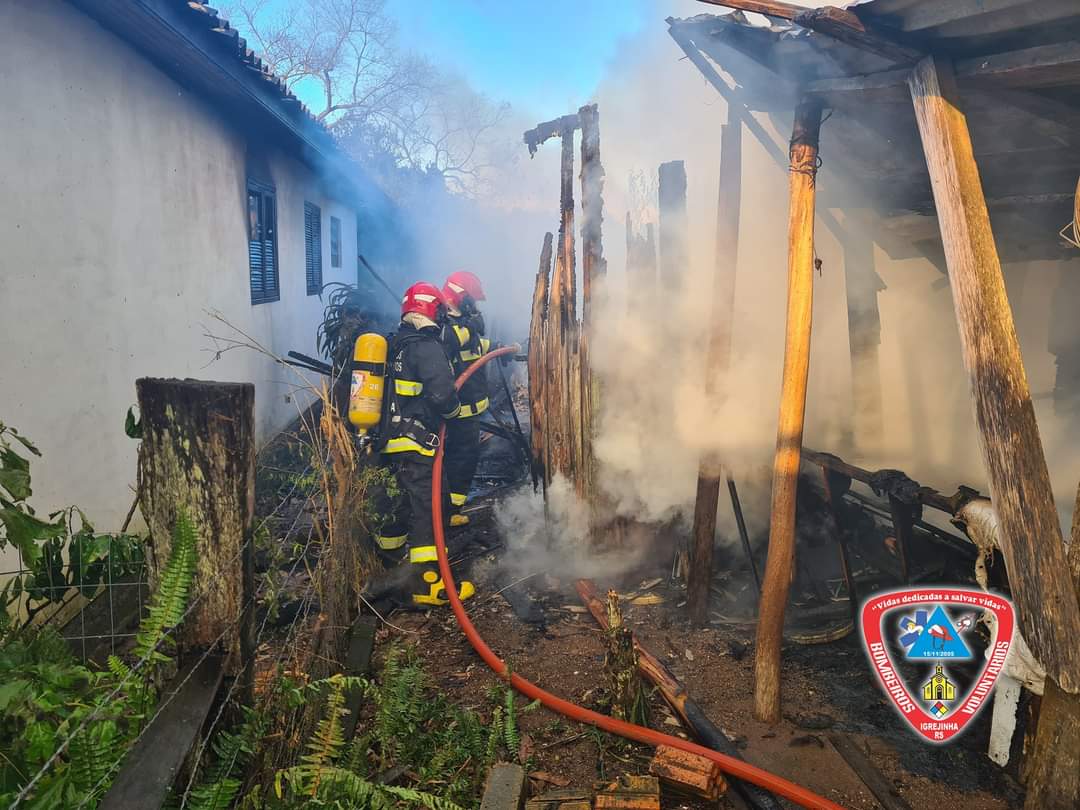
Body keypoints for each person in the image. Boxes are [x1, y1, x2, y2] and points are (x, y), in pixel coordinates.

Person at [370, 281, 475, 607]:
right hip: (416, 446)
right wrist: (454, 414)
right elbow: (444, 397)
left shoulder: (392, 343)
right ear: (435, 311)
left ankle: (390, 568)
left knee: (396, 505)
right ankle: (426, 584)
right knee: (429, 508)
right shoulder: (426, 346)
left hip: (386, 444)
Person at [439, 271, 494, 527]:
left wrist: (496, 348)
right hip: (456, 408)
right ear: (462, 297)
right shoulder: (443, 323)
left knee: (463, 458)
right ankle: (448, 512)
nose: (476, 307)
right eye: (473, 300)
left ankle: (450, 509)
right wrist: (469, 327)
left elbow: (474, 348)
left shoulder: (462, 322)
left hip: (468, 407)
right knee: (459, 459)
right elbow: (450, 345)